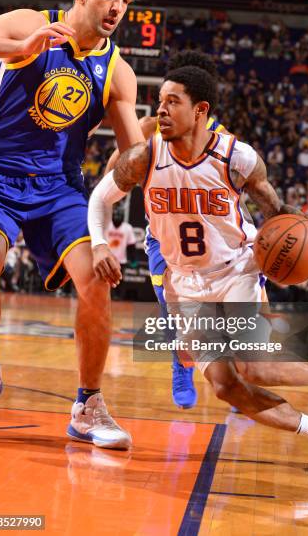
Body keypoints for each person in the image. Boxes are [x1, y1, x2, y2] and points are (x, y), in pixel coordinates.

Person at [88, 65, 308, 473]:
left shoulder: (235, 156)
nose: (162, 110)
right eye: (160, 102)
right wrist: (99, 244)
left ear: (200, 109)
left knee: (251, 364)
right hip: (185, 283)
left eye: (173, 102)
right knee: (226, 387)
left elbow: (278, 213)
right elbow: (100, 198)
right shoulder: (146, 155)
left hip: (236, 269)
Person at [0, 0, 145, 449]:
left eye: (126, 1)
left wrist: (147, 154)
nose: (118, 8)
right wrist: (17, 47)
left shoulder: (118, 72)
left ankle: (88, 405)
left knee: (96, 277)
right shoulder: (32, 24)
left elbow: (130, 154)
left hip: (59, 187)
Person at [104, 51, 229, 410]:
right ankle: (181, 366)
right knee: (172, 308)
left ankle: (236, 373)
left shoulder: (222, 140)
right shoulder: (149, 128)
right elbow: (116, 170)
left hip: (209, 241)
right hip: (163, 238)